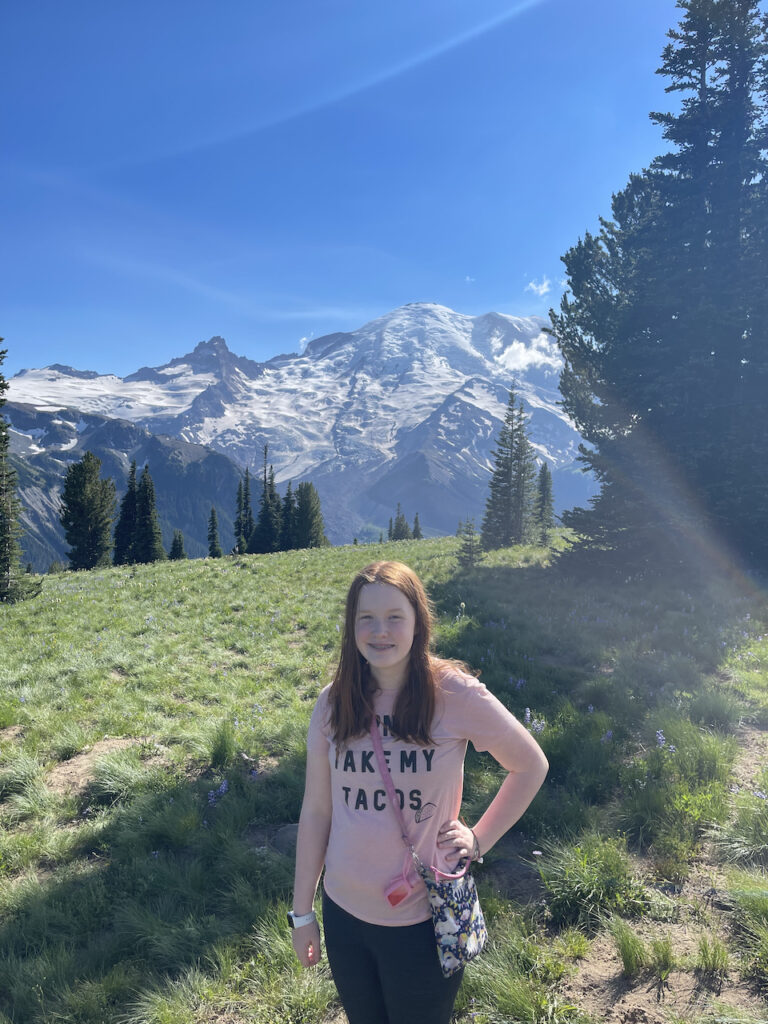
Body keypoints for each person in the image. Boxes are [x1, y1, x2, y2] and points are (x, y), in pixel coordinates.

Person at [290, 561, 548, 1024]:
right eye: (366, 618)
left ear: (417, 622)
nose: (380, 631)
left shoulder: (455, 694)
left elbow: (530, 765)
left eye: (395, 617)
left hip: (424, 919)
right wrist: (302, 913)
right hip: (344, 915)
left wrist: (479, 840)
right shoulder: (333, 702)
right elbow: (317, 810)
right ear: (351, 625)